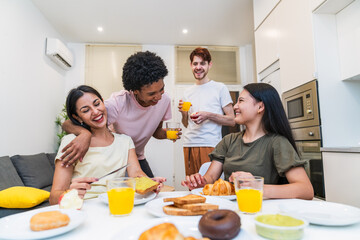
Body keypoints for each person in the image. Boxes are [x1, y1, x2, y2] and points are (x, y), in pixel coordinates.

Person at [181, 83, 314, 200]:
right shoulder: (229, 140)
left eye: (241, 101)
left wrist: (256, 186)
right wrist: (199, 181)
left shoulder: (277, 143)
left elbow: (306, 190)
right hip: (230, 209)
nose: (235, 107)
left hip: (261, 210)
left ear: (260, 107)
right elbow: (209, 178)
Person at [60, 51, 180, 177]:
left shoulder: (164, 100)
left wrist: (168, 134)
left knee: (152, 190)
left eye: (161, 89)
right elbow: (67, 124)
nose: (158, 97)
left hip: (137, 156)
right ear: (135, 91)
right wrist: (84, 134)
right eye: (151, 94)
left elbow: (157, 131)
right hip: (117, 157)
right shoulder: (118, 102)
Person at [50, 85, 166, 204]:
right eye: (86, 110)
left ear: (103, 102)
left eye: (97, 104)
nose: (95, 111)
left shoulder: (125, 141)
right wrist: (69, 193)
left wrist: (149, 184)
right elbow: (54, 198)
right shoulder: (72, 142)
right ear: (77, 117)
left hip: (117, 204)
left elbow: (136, 173)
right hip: (83, 207)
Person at [178, 47, 235, 176]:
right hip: (189, 144)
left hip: (210, 144)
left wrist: (208, 115)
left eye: (202, 63)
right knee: (193, 186)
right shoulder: (187, 92)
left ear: (209, 64)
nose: (198, 67)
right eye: (195, 63)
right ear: (191, 65)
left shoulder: (220, 88)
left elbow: (232, 120)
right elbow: (187, 124)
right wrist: (183, 114)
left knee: (210, 187)